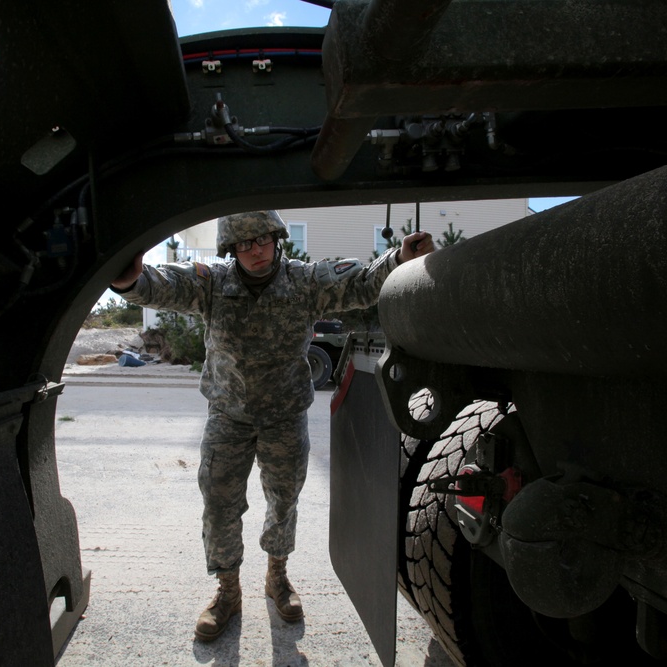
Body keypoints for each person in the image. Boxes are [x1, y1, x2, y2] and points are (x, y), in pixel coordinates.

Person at [110, 210, 434, 642]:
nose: (255, 250)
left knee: (283, 501)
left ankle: (277, 577)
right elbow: (159, 284)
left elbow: (359, 283)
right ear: (231, 249)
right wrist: (126, 280)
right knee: (220, 504)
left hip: (284, 416)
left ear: (277, 239)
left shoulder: (304, 280)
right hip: (229, 416)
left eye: (262, 239)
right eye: (244, 244)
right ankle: (227, 590)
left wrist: (399, 259)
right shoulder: (211, 282)